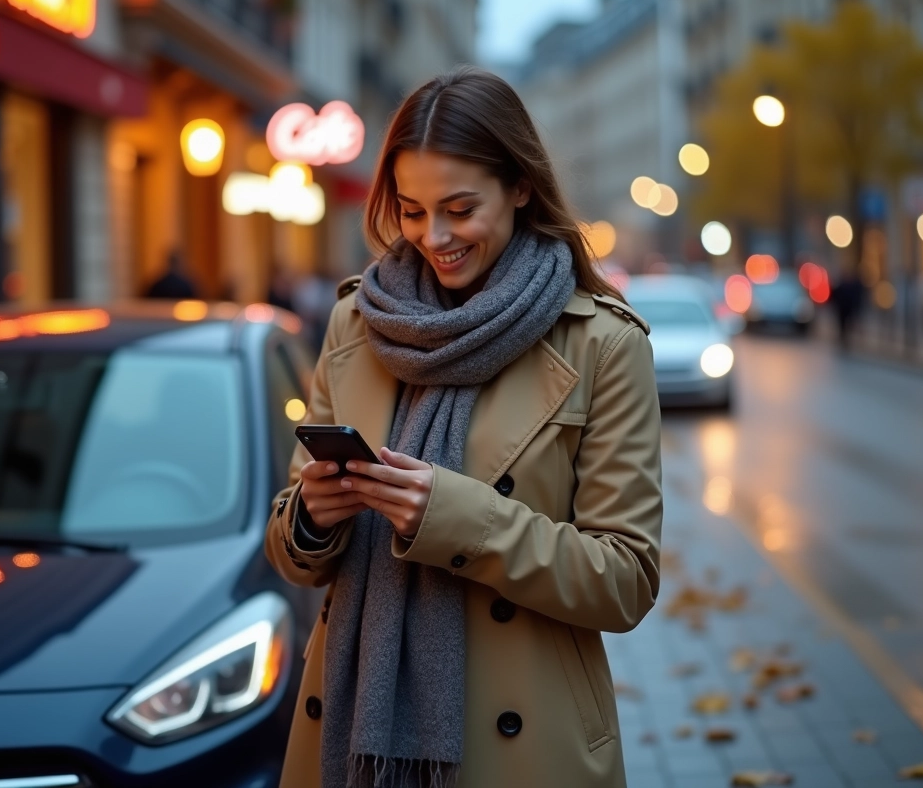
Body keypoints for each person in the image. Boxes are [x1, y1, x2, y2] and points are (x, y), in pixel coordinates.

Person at [265, 67, 663, 788]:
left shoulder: (603, 344)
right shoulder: (357, 323)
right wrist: (313, 517)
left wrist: (456, 519)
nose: (434, 237)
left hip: (525, 743)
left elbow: (626, 580)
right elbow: (295, 555)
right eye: (412, 212)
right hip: (353, 740)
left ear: (518, 185)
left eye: (458, 208)